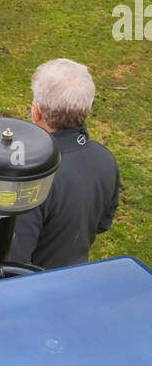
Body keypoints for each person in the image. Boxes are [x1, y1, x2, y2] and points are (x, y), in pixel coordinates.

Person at [10, 58, 120, 269]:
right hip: (72, 280)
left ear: (36, 111)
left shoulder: (32, 178)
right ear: (86, 109)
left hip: (31, 290)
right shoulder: (105, 159)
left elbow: (13, 259)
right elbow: (103, 224)